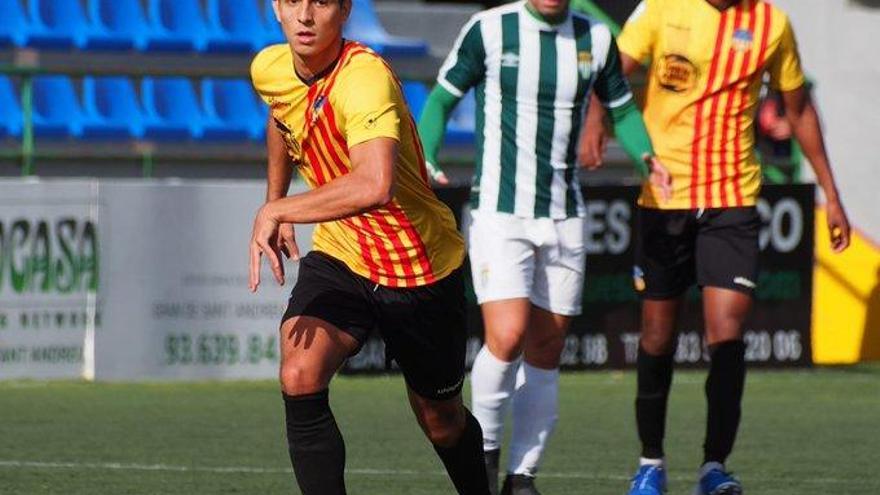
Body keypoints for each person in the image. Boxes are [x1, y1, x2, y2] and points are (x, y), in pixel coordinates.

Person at [580, 1, 852, 494]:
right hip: (664, 196)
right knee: (657, 336)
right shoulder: (662, 8)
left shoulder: (770, 23)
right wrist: (595, 121)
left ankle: (714, 467)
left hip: (732, 201)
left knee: (726, 334)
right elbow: (610, 73)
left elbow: (798, 109)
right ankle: (651, 463)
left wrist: (832, 196)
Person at [418, 1, 671, 493]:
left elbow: (621, 108)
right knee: (507, 335)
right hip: (499, 211)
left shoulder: (595, 39)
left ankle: (522, 475)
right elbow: (441, 99)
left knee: (547, 346)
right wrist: (426, 152)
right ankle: (484, 458)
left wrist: (647, 158)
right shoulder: (490, 30)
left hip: (564, 215)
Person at [248, 1, 490, 493]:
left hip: (417, 265)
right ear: (276, 8)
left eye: (322, 2)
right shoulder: (268, 67)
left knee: (441, 419)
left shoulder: (364, 78)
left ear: (345, 10)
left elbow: (374, 184)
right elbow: (281, 116)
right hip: (342, 253)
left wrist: (279, 211)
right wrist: (275, 196)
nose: (306, 16)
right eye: (293, 1)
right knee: (299, 373)